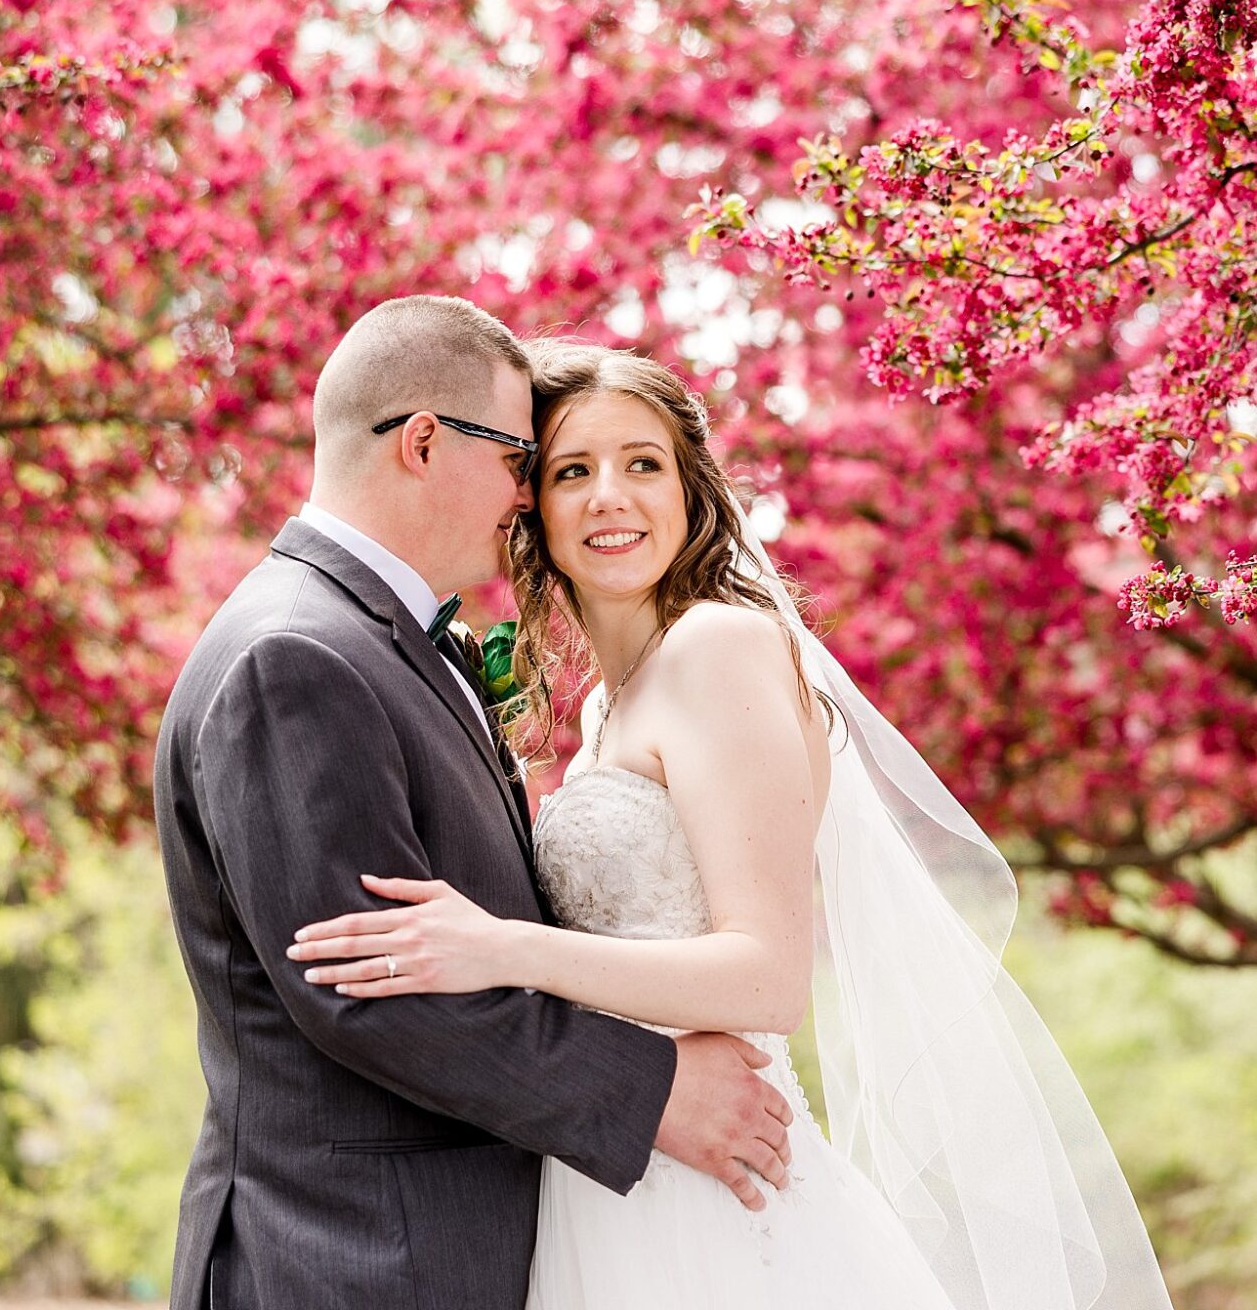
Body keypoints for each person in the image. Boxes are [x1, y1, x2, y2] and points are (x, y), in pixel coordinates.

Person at [289, 340, 1179, 1310]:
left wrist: (501, 948)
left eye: (643, 463)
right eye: (574, 470)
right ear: (531, 502)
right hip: (616, 1162)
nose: (609, 497)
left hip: (718, 1188)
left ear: (689, 488)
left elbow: (765, 974)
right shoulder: (603, 707)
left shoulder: (721, 645)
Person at [154, 300, 794, 1310]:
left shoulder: (390, 640)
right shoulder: (299, 654)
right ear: (421, 441)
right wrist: (652, 1089)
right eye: (526, 459)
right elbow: (369, 986)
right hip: (353, 1256)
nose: (528, 494)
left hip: (500, 1236)